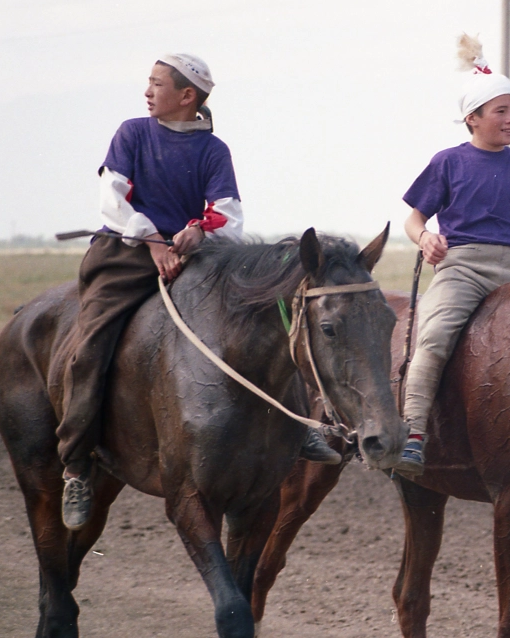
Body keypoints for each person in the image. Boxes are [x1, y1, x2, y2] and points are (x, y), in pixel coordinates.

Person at [56, 54, 338, 531]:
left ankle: (294, 427)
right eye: (148, 82)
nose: (147, 91)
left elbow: (226, 212)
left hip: (192, 260)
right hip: (124, 257)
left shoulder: (213, 150)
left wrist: (197, 233)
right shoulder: (132, 133)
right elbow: (113, 196)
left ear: (187, 97)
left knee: (263, 320)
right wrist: (151, 241)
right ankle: (77, 463)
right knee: (89, 349)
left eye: (156, 84)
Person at [393, 34, 510, 475]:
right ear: (472, 117)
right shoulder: (448, 162)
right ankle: (414, 434)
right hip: (461, 269)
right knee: (434, 337)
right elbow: (413, 219)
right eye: (501, 111)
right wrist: (424, 238)